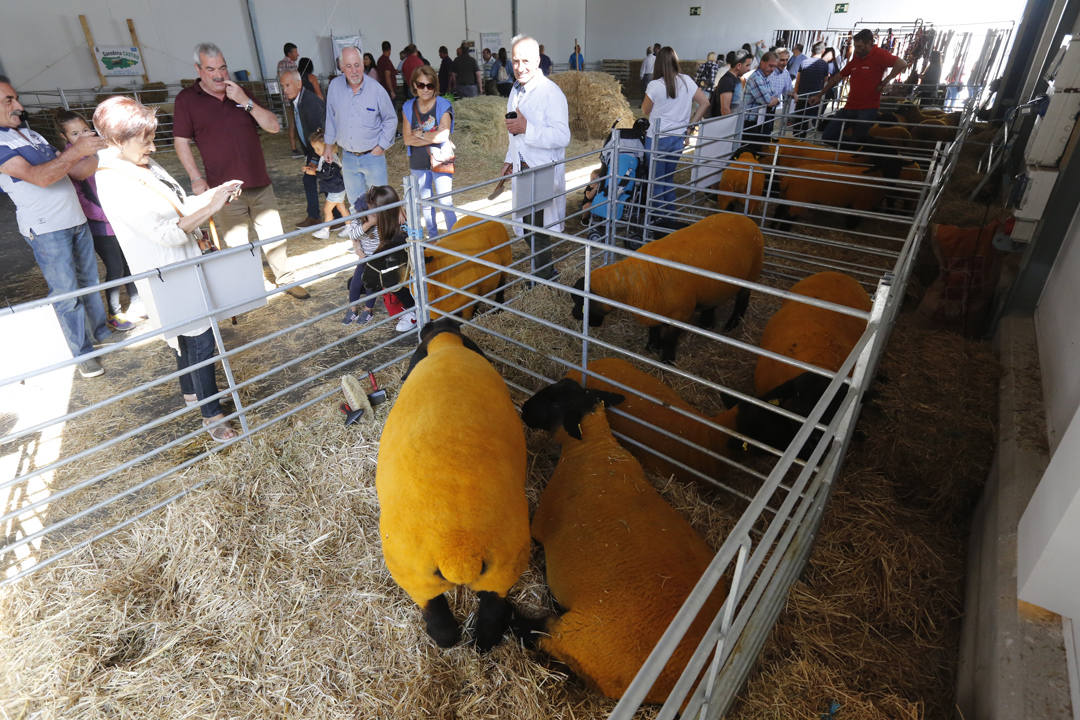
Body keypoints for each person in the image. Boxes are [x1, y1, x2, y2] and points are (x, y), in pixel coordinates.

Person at [93, 95, 243, 441]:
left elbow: (178, 206)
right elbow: (166, 234)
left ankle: (191, 392)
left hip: (183, 265)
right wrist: (212, 208)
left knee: (187, 334)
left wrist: (213, 194)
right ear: (117, 140)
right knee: (201, 338)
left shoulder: (141, 165)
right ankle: (212, 414)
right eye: (144, 140)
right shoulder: (114, 180)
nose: (152, 147)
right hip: (167, 269)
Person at [174, 42, 309, 299]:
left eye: (223, 67)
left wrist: (245, 102)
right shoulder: (187, 100)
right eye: (211, 68)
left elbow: (273, 127)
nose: (219, 75)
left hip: (259, 181)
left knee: (274, 237)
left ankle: (286, 279)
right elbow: (181, 142)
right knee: (236, 244)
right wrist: (195, 178)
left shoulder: (240, 92)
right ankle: (250, 288)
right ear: (198, 69)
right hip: (223, 189)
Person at [0, 76, 111, 377]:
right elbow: (40, 177)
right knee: (66, 292)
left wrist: (104, 149)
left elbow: (75, 170)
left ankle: (101, 334)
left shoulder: (31, 135)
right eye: (8, 100)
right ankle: (83, 353)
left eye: (16, 98)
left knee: (90, 280)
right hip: (46, 228)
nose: (19, 106)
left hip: (75, 219)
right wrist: (77, 150)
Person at [56, 109, 142, 330]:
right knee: (115, 268)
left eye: (85, 130)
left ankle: (137, 302)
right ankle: (114, 313)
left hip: (119, 217)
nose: (83, 136)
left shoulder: (102, 151)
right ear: (64, 137)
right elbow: (81, 197)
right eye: (75, 134)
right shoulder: (70, 159)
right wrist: (105, 216)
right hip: (101, 224)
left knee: (130, 262)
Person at [501, 35, 570, 281]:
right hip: (523, 168)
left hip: (541, 170)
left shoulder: (551, 93)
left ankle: (544, 275)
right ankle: (543, 270)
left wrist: (526, 127)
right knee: (527, 225)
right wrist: (510, 159)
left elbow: (563, 135)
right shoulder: (516, 89)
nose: (519, 67)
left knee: (536, 228)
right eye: (515, 61)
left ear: (538, 60)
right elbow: (514, 129)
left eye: (526, 61)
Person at [323, 45, 397, 213]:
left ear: (363, 64)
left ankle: (380, 239)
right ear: (342, 68)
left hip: (373, 156)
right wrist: (328, 145)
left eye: (357, 65)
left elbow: (391, 119)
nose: (354, 70)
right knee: (356, 205)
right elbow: (331, 117)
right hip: (348, 157)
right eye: (348, 66)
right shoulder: (335, 87)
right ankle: (361, 238)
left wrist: (381, 146)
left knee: (379, 203)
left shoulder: (376, 90)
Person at [641, 46, 709, 216]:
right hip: (678, 138)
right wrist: (691, 126)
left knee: (656, 182)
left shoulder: (655, 85)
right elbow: (705, 103)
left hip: (658, 139)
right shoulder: (686, 80)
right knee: (667, 180)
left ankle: (659, 220)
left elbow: (645, 110)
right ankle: (669, 216)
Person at [815, 29, 907, 146]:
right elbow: (838, 77)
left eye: (859, 46)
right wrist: (819, 95)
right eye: (855, 46)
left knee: (858, 139)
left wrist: (885, 82)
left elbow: (902, 63)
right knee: (828, 136)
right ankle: (856, 149)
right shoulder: (857, 58)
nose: (856, 50)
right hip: (849, 106)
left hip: (868, 108)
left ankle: (856, 150)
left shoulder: (880, 54)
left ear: (869, 43)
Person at [345, 185, 418, 332]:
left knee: (390, 281)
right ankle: (354, 308)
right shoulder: (368, 219)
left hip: (398, 264)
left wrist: (399, 213)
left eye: (374, 210)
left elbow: (412, 241)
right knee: (355, 283)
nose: (370, 213)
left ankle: (412, 311)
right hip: (373, 259)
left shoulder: (398, 223)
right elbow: (353, 235)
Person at [402, 65, 457, 237]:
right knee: (425, 203)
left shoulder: (443, 104)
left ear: (435, 86)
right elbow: (406, 139)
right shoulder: (408, 107)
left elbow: (444, 135)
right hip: (418, 161)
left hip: (441, 158)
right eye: (421, 85)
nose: (425, 89)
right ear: (414, 86)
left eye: (429, 85)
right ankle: (433, 239)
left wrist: (420, 134)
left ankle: (456, 238)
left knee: (445, 201)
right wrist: (432, 135)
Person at [278, 69, 326, 230]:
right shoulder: (298, 100)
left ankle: (335, 218)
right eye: (283, 86)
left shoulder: (310, 103)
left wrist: (314, 160)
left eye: (287, 85)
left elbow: (318, 132)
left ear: (299, 84)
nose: (285, 89)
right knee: (312, 180)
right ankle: (316, 216)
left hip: (320, 149)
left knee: (327, 181)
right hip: (312, 149)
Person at [303, 130, 349, 240]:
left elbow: (327, 174)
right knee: (341, 208)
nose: (316, 151)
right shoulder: (326, 157)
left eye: (318, 149)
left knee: (327, 210)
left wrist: (313, 172)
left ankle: (325, 230)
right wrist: (313, 169)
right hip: (337, 188)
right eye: (315, 149)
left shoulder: (329, 159)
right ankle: (349, 226)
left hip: (335, 189)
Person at [742, 51, 780, 149]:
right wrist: (774, 100)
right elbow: (768, 101)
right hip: (750, 123)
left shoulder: (764, 78)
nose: (772, 69)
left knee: (759, 148)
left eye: (774, 67)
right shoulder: (756, 78)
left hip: (759, 121)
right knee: (749, 150)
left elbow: (774, 95)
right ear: (762, 62)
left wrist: (774, 100)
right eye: (770, 66)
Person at [793, 42, 829, 137]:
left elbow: (798, 80)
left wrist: (795, 93)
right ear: (823, 51)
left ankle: (796, 140)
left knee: (799, 120)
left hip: (802, 95)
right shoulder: (824, 64)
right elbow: (825, 80)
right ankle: (803, 140)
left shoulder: (804, 62)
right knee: (810, 119)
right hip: (815, 97)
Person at [711, 49, 752, 116]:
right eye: (747, 65)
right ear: (739, 66)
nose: (749, 69)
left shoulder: (737, 79)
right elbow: (725, 109)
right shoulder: (727, 81)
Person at [278, 43, 301, 155]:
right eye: (295, 52)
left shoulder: (281, 64)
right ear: (290, 53)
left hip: (287, 99)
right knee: (295, 123)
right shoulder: (291, 65)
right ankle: (295, 149)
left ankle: (294, 147)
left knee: (292, 122)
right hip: (294, 99)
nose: (298, 54)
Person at [768, 49, 795, 133]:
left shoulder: (785, 73)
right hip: (760, 107)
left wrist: (793, 94)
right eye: (782, 60)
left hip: (772, 107)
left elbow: (788, 90)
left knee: (768, 130)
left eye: (787, 60)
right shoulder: (768, 72)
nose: (785, 63)